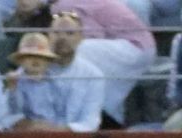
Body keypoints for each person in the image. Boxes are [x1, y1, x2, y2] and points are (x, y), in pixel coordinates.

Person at [11, 0, 153, 123]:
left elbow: (91, 36)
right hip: (135, 48)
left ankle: (71, 116)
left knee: (76, 51)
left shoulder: (64, 5)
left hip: (135, 47)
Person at [0, 28, 100, 129]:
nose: (35, 60)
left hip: (52, 129)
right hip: (27, 130)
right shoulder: (17, 82)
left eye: (41, 57)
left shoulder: (54, 81)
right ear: (21, 61)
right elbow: (13, 110)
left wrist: (56, 127)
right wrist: (13, 89)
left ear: (48, 62)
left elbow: (61, 108)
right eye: (29, 56)